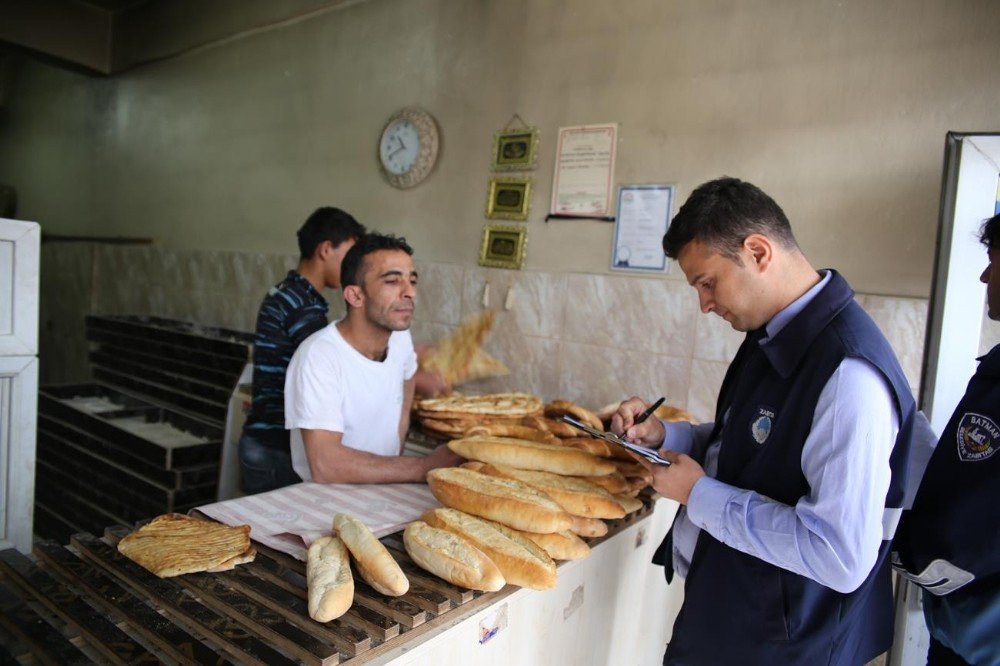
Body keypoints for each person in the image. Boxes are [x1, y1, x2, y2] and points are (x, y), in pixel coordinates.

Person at [611, 177, 916, 665]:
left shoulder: (848, 374)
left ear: (757, 252)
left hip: (783, 647)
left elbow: (838, 554)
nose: (704, 304)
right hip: (731, 619)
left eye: (707, 283)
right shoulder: (774, 333)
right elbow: (756, 443)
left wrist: (697, 494)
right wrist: (669, 434)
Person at [892, 212, 1000, 666]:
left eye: (995, 261)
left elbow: (966, 530)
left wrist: (885, 543)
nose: (984, 275)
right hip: (963, 631)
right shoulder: (996, 367)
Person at [284, 232, 462, 483]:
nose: (409, 292)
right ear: (355, 295)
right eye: (392, 281)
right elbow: (325, 464)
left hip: (384, 492)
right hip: (327, 504)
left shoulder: (399, 338)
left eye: (412, 280)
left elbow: (407, 379)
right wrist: (424, 466)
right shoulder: (319, 356)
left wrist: (395, 451)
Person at [239, 207, 365, 495]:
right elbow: (329, 368)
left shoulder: (284, 291)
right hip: (275, 448)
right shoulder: (304, 307)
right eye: (349, 254)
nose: (353, 267)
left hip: (259, 440)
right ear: (325, 249)